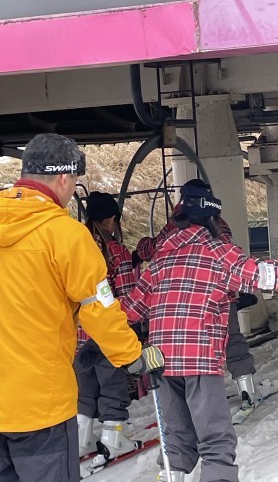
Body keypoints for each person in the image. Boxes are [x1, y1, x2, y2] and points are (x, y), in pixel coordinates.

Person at [121, 181, 278, 482]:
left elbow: (131, 308)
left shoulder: (161, 257)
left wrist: (92, 328)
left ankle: (172, 476)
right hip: (198, 356)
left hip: (160, 360)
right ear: (212, 218)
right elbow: (262, 275)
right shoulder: (218, 252)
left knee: (175, 431)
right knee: (213, 433)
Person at [0, 133, 160, 482]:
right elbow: (99, 309)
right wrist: (133, 356)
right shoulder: (67, 236)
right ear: (64, 178)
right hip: (39, 405)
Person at [135, 179, 264, 411]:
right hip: (218, 296)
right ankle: (247, 390)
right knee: (232, 338)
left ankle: (188, 404)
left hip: (176, 300)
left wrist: (140, 248)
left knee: (182, 350)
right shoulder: (218, 222)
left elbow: (152, 250)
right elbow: (231, 257)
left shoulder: (175, 224)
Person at [75, 191, 139, 463]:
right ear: (111, 219)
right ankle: (113, 439)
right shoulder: (116, 252)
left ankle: (82, 438)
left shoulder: (76, 247)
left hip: (79, 333)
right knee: (112, 383)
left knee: (85, 384)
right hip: (107, 331)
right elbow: (127, 296)